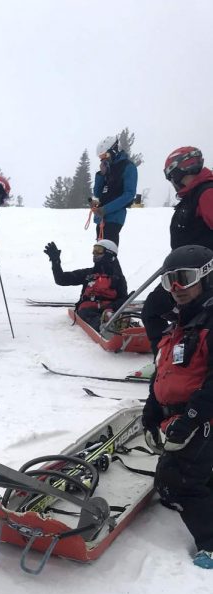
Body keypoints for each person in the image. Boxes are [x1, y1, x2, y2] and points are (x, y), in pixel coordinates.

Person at [141, 245, 213, 570]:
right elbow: (166, 370)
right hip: (187, 415)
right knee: (167, 485)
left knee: (177, 481)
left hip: (205, 416)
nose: (176, 289)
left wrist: (191, 419)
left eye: (183, 279)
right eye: (169, 281)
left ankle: (210, 543)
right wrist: (152, 409)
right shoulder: (182, 324)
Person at [141, 147, 213, 353]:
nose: (173, 182)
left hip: (200, 275)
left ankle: (169, 360)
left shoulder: (206, 193)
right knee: (176, 314)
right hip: (183, 271)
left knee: (153, 311)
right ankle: (173, 358)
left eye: (172, 177)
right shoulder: (193, 196)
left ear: (179, 172)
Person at [43, 239, 128, 332]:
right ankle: (105, 326)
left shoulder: (118, 278)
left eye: (98, 250)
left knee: (119, 313)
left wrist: (110, 307)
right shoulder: (88, 274)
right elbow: (61, 279)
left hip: (109, 310)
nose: (94, 253)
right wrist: (55, 261)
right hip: (89, 310)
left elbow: (123, 299)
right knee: (87, 313)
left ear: (109, 254)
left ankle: (117, 323)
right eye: (94, 250)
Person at [90, 135, 138, 246]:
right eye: (100, 156)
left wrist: (105, 209)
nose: (103, 158)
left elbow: (129, 195)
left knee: (106, 253)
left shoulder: (127, 167)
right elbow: (97, 194)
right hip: (100, 219)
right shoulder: (106, 170)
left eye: (105, 155)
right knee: (99, 253)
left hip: (114, 218)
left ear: (114, 150)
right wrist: (101, 175)